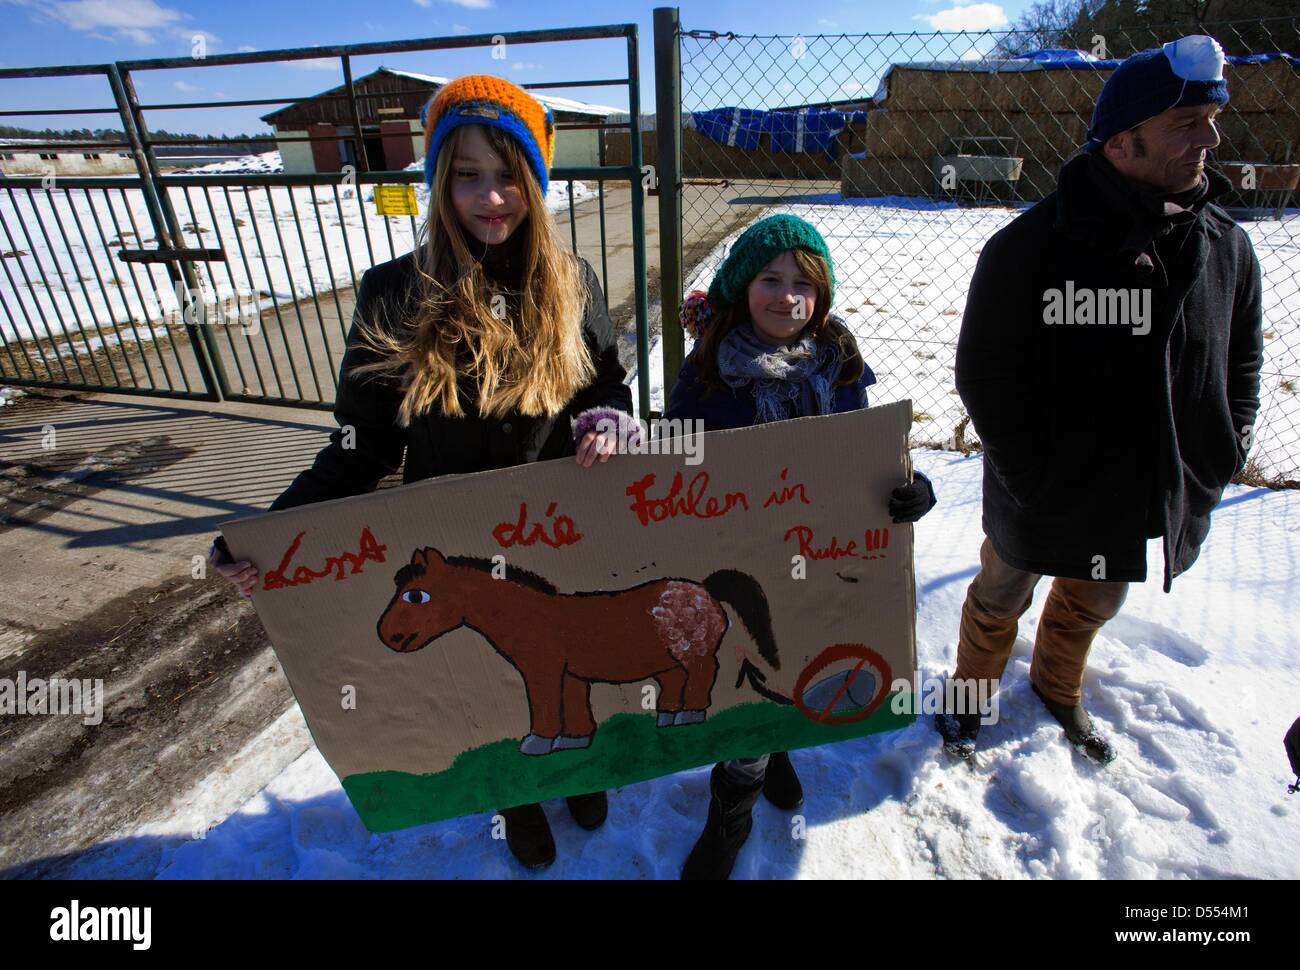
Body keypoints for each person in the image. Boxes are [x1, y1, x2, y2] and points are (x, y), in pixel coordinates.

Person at [208, 75, 640, 870]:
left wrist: (609, 417)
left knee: (568, 654)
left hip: (557, 528)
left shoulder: (570, 280)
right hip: (450, 540)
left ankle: (581, 768)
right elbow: (361, 443)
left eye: (508, 173)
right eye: (466, 174)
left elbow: (604, 383)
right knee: (489, 679)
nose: (490, 196)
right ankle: (515, 797)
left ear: (536, 182)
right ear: (439, 180)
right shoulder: (394, 293)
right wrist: (263, 532)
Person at [941, 35, 1263, 764]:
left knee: (1095, 601)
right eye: (1187, 123)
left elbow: (1243, 359)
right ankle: (969, 695)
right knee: (1000, 595)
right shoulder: (1027, 249)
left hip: (1139, 494)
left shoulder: (1226, 246)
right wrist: (1029, 478)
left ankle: (1059, 688)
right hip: (1039, 492)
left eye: (1211, 119)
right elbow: (986, 374)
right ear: (1122, 143)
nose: (1210, 138)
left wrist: (1223, 448)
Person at [664, 214, 937, 879]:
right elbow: (672, 474)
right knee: (752, 669)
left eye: (804, 285)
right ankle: (731, 813)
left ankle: (778, 746)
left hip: (824, 559)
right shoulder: (706, 378)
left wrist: (907, 489)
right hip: (740, 561)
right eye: (770, 279)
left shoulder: (838, 361)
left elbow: (867, 451)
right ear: (739, 285)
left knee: (801, 659)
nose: (788, 297)